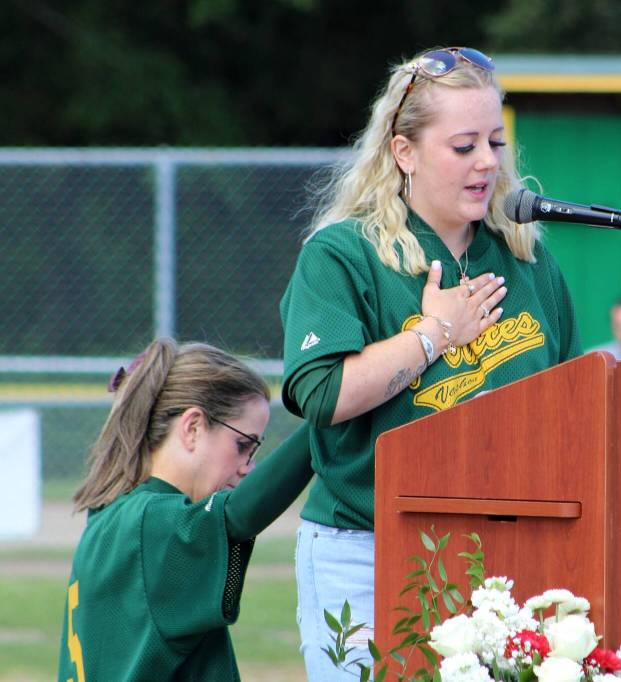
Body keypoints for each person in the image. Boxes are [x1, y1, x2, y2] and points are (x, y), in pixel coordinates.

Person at [278, 46, 580, 679]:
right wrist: (435, 332)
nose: (488, 163)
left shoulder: (525, 256)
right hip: (368, 549)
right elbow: (322, 396)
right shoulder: (343, 255)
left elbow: (568, 397)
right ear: (404, 152)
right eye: (464, 146)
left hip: (504, 548)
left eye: (496, 143)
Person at [57, 339, 312, 681]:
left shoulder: (109, 514)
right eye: (243, 446)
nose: (247, 468)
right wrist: (331, 416)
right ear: (192, 427)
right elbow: (238, 515)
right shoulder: (152, 522)